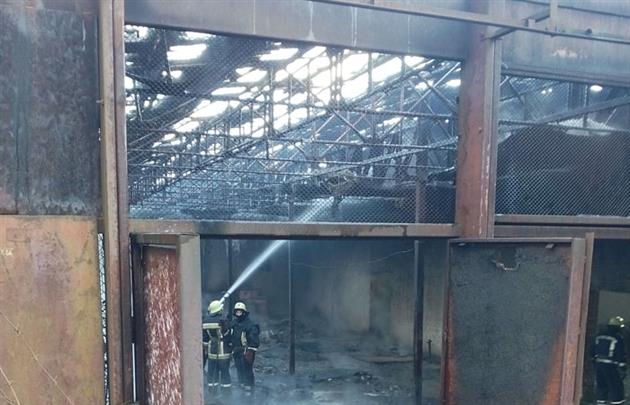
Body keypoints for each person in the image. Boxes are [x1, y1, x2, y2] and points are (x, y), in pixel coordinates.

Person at [594, 316, 627, 405]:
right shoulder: (618, 338)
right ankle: (617, 402)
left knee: (601, 385)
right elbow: (620, 353)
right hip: (611, 366)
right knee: (615, 386)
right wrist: (623, 367)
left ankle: (601, 402)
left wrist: (594, 360)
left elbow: (593, 349)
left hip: (599, 364)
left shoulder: (599, 335)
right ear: (618, 327)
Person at [202, 300, 232, 392]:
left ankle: (212, 391)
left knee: (212, 372)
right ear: (219, 309)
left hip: (211, 349)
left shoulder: (205, 321)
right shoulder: (223, 320)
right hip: (224, 350)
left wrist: (205, 350)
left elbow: (205, 338)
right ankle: (226, 392)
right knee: (224, 372)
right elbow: (228, 334)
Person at [230, 301, 260, 393]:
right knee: (239, 368)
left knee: (247, 369)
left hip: (246, 351)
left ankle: (249, 388)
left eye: (240, 311)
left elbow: (254, 339)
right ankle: (242, 386)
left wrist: (251, 351)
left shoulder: (250, 325)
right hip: (236, 350)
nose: (238, 313)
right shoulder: (233, 323)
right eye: (237, 311)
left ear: (244, 312)